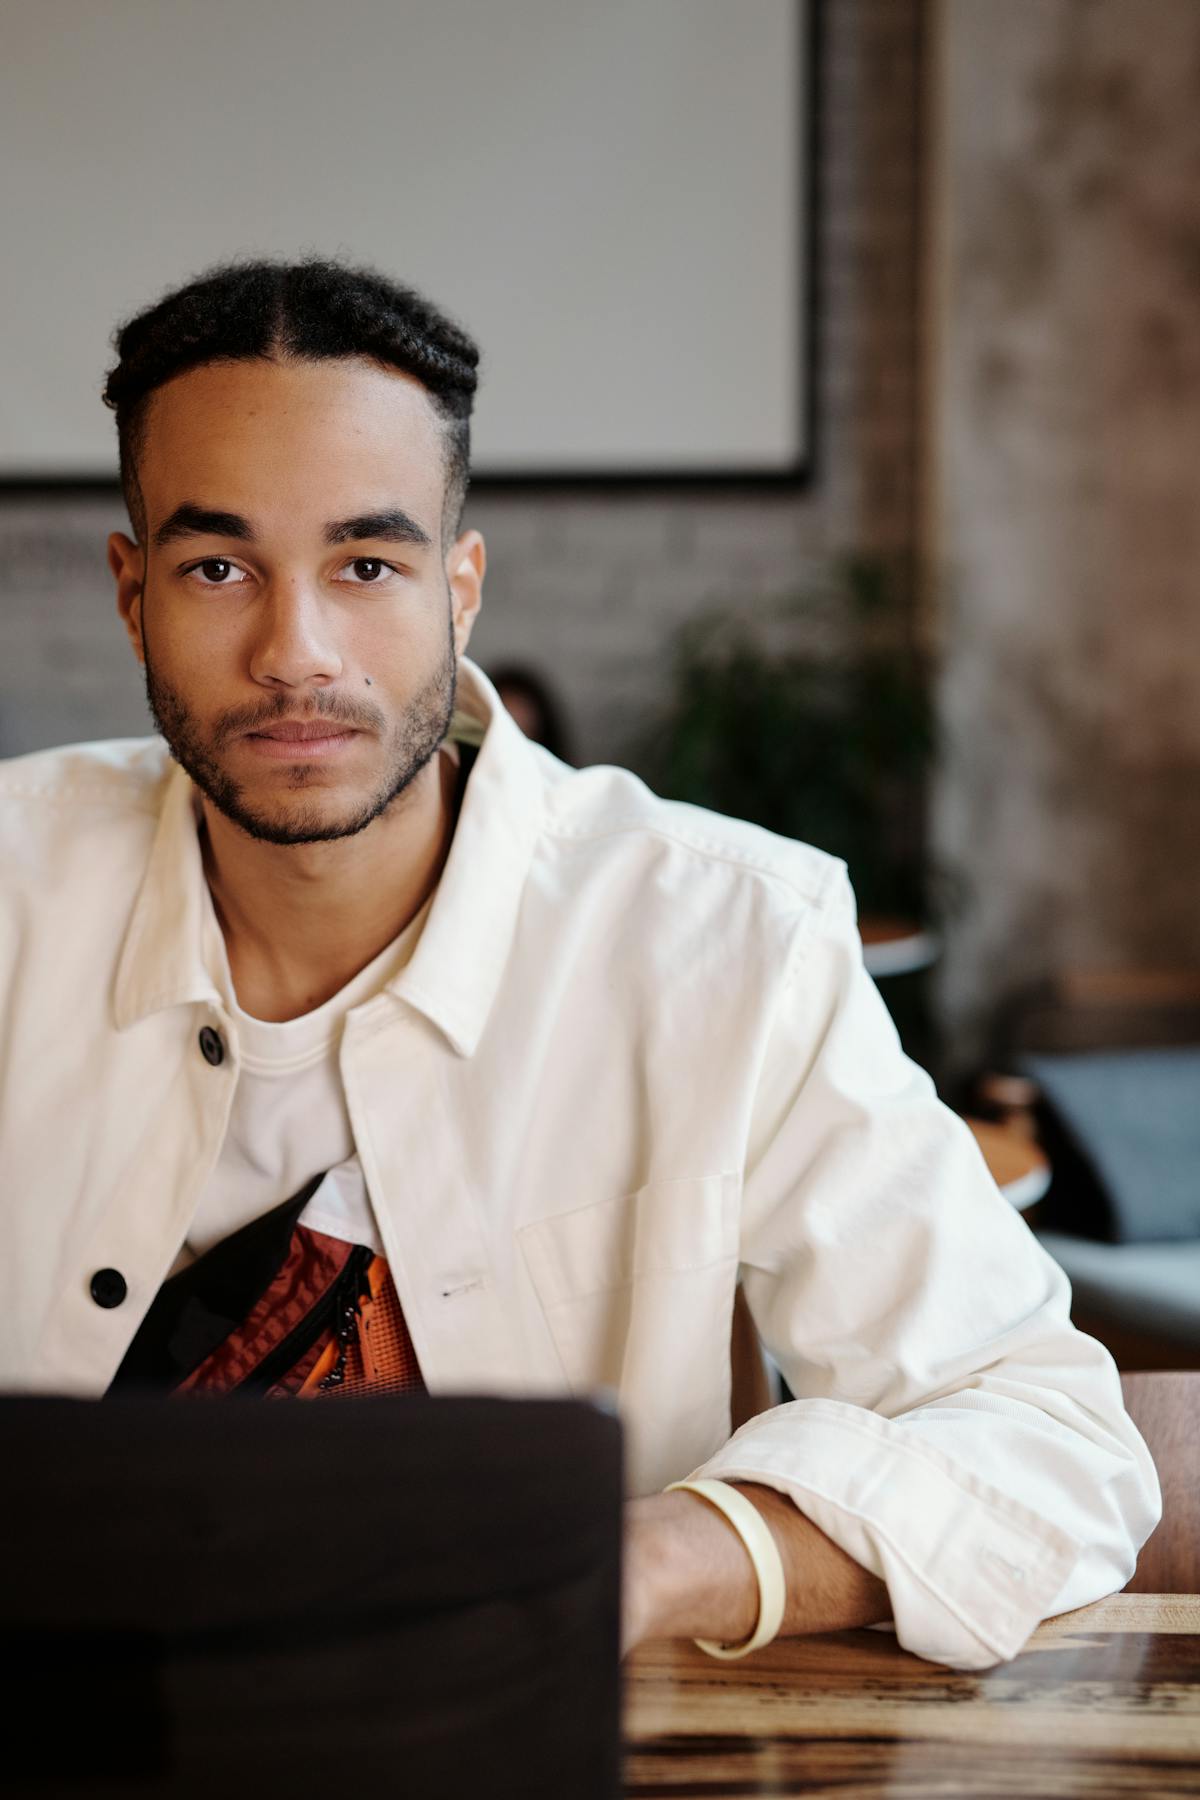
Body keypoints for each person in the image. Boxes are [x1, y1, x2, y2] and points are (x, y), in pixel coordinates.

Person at [0, 258, 1159, 1671]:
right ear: (133, 594)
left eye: (367, 564)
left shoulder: (724, 941)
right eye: (218, 566)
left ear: (461, 587)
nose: (294, 652)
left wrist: (658, 1557)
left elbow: (1045, 1441)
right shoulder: (15, 893)